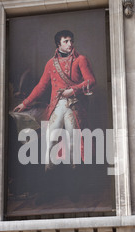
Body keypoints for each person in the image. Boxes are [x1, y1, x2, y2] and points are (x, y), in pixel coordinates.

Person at [14, 30, 96, 203]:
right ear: (58, 45)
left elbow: (91, 81)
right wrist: (25, 103)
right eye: (66, 41)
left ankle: (74, 190)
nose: (70, 44)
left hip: (73, 107)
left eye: (71, 41)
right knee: (50, 145)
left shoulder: (81, 60)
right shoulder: (51, 64)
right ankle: (47, 191)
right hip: (56, 107)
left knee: (73, 146)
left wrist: (72, 90)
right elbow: (41, 86)